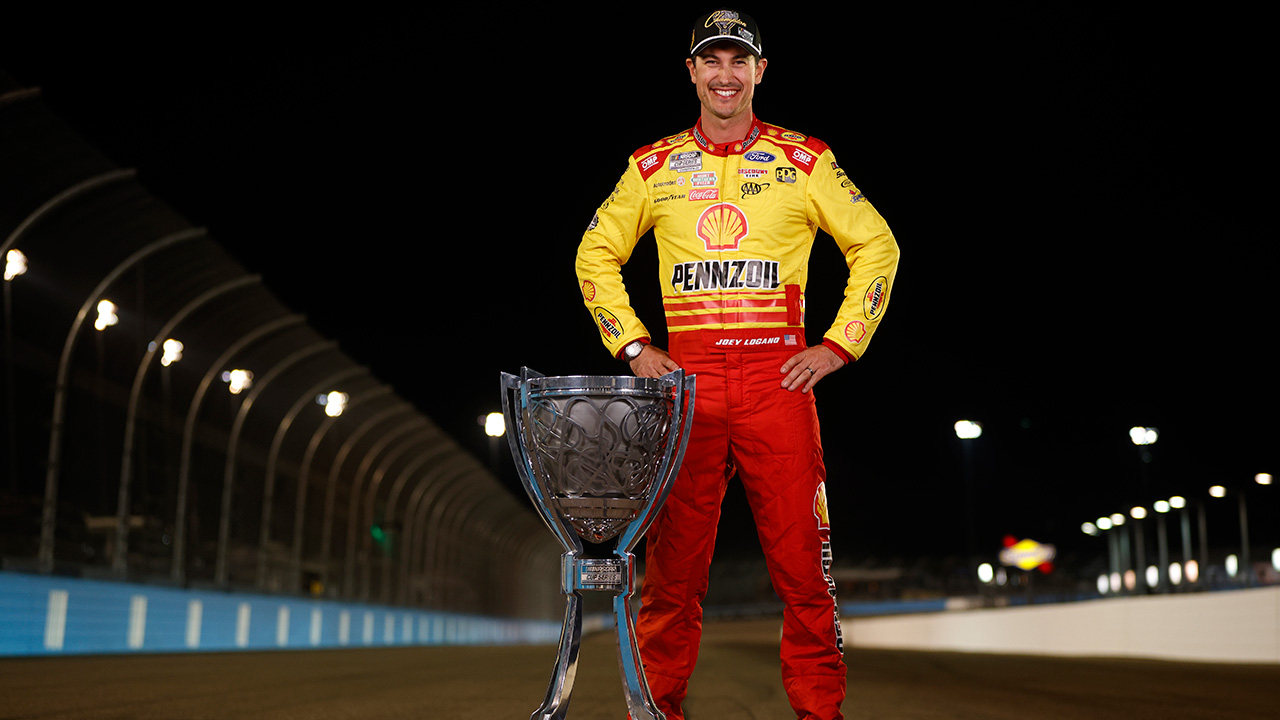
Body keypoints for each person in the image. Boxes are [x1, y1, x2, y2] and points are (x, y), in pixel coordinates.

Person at [575, 9, 899, 720]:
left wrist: (840, 343)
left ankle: (820, 713)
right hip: (684, 394)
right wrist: (633, 346)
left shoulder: (804, 159)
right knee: (671, 580)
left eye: (738, 61)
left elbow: (878, 246)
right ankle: (657, 710)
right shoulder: (651, 167)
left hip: (776, 386)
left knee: (805, 576)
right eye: (711, 61)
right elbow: (593, 253)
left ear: (759, 72)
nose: (725, 74)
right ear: (692, 72)